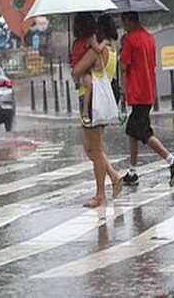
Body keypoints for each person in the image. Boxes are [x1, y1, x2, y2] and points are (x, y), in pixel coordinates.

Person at [119, 11, 174, 187]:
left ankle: (171, 160)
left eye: (123, 21)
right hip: (148, 90)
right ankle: (132, 171)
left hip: (137, 91)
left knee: (144, 132)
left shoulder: (130, 39)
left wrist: (123, 91)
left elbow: (124, 66)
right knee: (132, 130)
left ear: (127, 20)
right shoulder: (149, 38)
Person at [72, 14, 123, 208]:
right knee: (89, 147)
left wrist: (76, 68)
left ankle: (101, 194)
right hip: (101, 101)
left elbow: (76, 71)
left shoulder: (94, 52)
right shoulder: (111, 49)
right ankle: (113, 176)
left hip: (91, 101)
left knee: (96, 149)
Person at [69, 14, 104, 127]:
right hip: (84, 71)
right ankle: (85, 112)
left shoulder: (76, 42)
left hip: (76, 68)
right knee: (89, 85)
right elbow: (98, 49)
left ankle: (84, 112)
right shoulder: (90, 39)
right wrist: (105, 42)